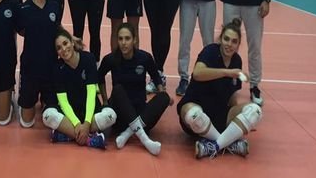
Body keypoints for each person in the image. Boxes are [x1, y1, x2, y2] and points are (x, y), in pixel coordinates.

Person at [177, 18, 263, 159]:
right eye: (226, 39)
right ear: (220, 39)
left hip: (220, 114)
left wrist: (241, 122)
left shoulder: (237, 60)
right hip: (196, 109)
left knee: (255, 111)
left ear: (238, 44)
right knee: (194, 114)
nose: (229, 44)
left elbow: (232, 96)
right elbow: (197, 73)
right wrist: (227, 72)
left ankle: (213, 146)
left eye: (234, 41)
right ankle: (229, 143)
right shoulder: (210, 51)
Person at [98, 23, 172, 156]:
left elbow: (156, 77)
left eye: (127, 38)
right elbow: (99, 77)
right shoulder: (111, 59)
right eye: (120, 39)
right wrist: (104, 101)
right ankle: (145, 140)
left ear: (134, 40)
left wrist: (162, 92)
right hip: (120, 117)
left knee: (165, 97)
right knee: (118, 89)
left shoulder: (145, 58)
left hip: (141, 114)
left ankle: (127, 134)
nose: (123, 43)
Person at [42, 28, 117, 148]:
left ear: (72, 42)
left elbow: (91, 93)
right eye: (59, 48)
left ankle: (67, 135)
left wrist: (86, 123)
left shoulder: (88, 59)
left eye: (65, 43)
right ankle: (89, 140)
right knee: (47, 115)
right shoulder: (57, 68)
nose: (63, 49)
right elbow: (63, 101)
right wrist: (77, 124)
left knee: (111, 115)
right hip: (70, 114)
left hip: (89, 112)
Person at [16, 0, 60, 128]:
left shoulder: (54, 6)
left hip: (50, 65)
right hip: (30, 65)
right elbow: (21, 30)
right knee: (26, 123)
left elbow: (57, 28)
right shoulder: (24, 8)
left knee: (51, 119)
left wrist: (71, 38)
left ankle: (46, 100)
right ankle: (27, 100)